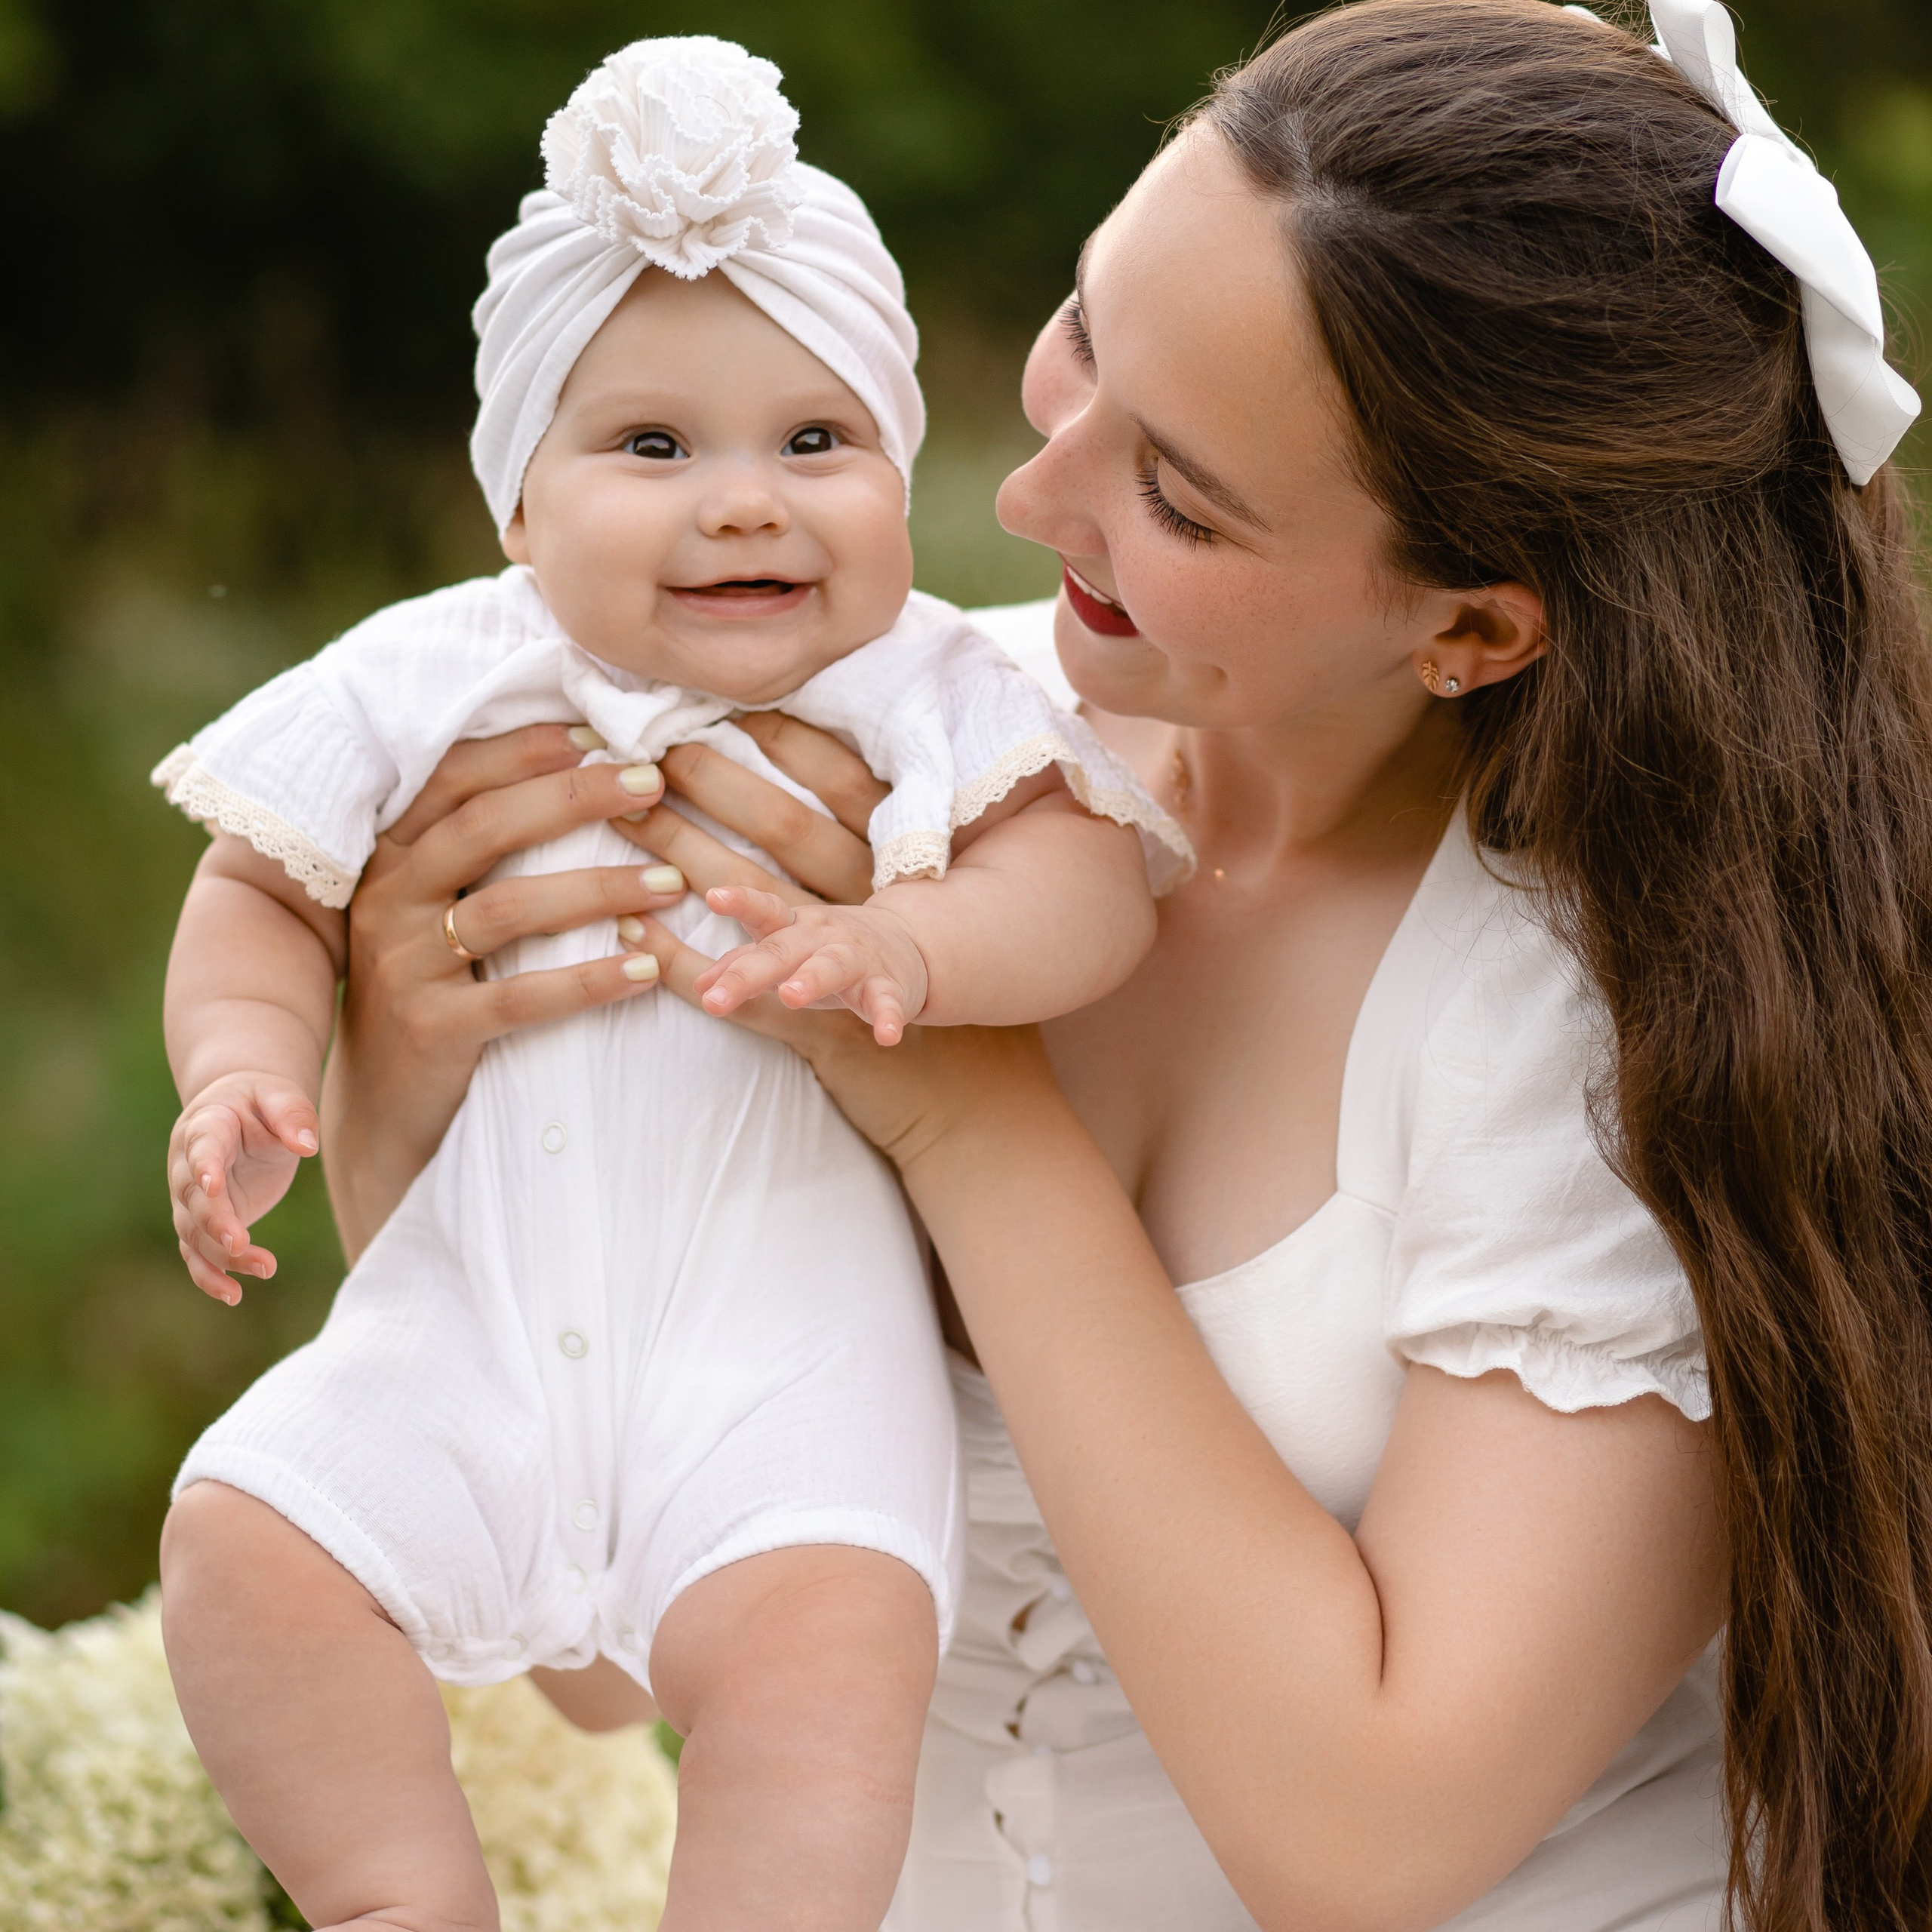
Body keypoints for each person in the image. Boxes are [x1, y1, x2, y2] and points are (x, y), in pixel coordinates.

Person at [256, 0, 1932, 1927]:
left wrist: (969, 1119)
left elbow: (1366, 1840)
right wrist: (404, 1119)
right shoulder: (898, 761)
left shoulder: (1622, 1021)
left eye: (1181, 496)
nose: (1034, 492)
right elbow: (599, 1649)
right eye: (1080, 335)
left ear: (1470, 625)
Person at [151, 36, 1185, 1932]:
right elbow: (259, 883)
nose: (743, 503)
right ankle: (396, 1894)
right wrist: (240, 1065)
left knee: (827, 1660)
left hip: (779, 1379)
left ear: (895, 463)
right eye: (650, 446)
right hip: (462, 1331)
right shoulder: (433, 671)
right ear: (516, 505)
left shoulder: (929, 683)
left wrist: (913, 943)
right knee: (243, 1541)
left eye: (816, 440)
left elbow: (1086, 882)